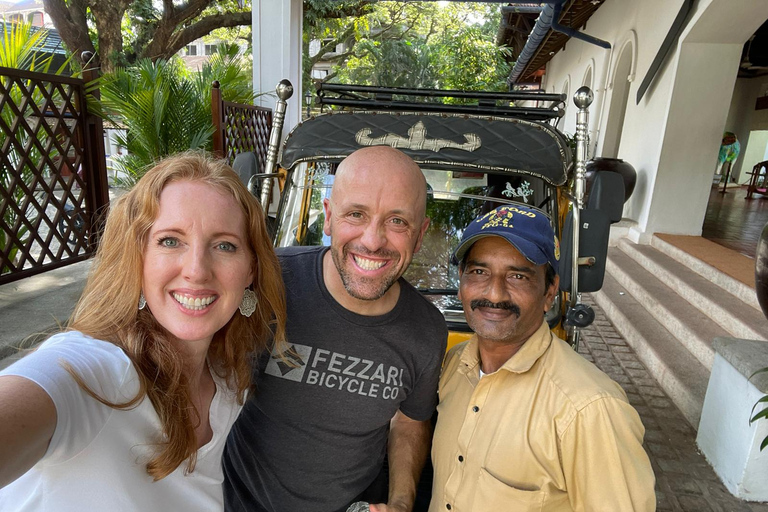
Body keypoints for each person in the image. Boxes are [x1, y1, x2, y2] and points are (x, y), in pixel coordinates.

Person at [0, 153, 287, 511]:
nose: (196, 270)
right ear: (138, 258)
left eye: (224, 245)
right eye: (170, 240)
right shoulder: (96, 373)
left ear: (250, 272)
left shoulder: (228, 384)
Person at [223, 146, 448, 512]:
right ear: (328, 217)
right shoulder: (267, 280)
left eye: (397, 222)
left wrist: (402, 503)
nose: (373, 240)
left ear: (420, 235)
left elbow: (409, 421)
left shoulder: (427, 330)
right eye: (356, 214)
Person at [430, 204, 655, 512]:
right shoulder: (454, 364)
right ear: (461, 281)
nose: (494, 294)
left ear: (550, 290)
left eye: (518, 276)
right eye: (479, 272)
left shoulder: (590, 409)